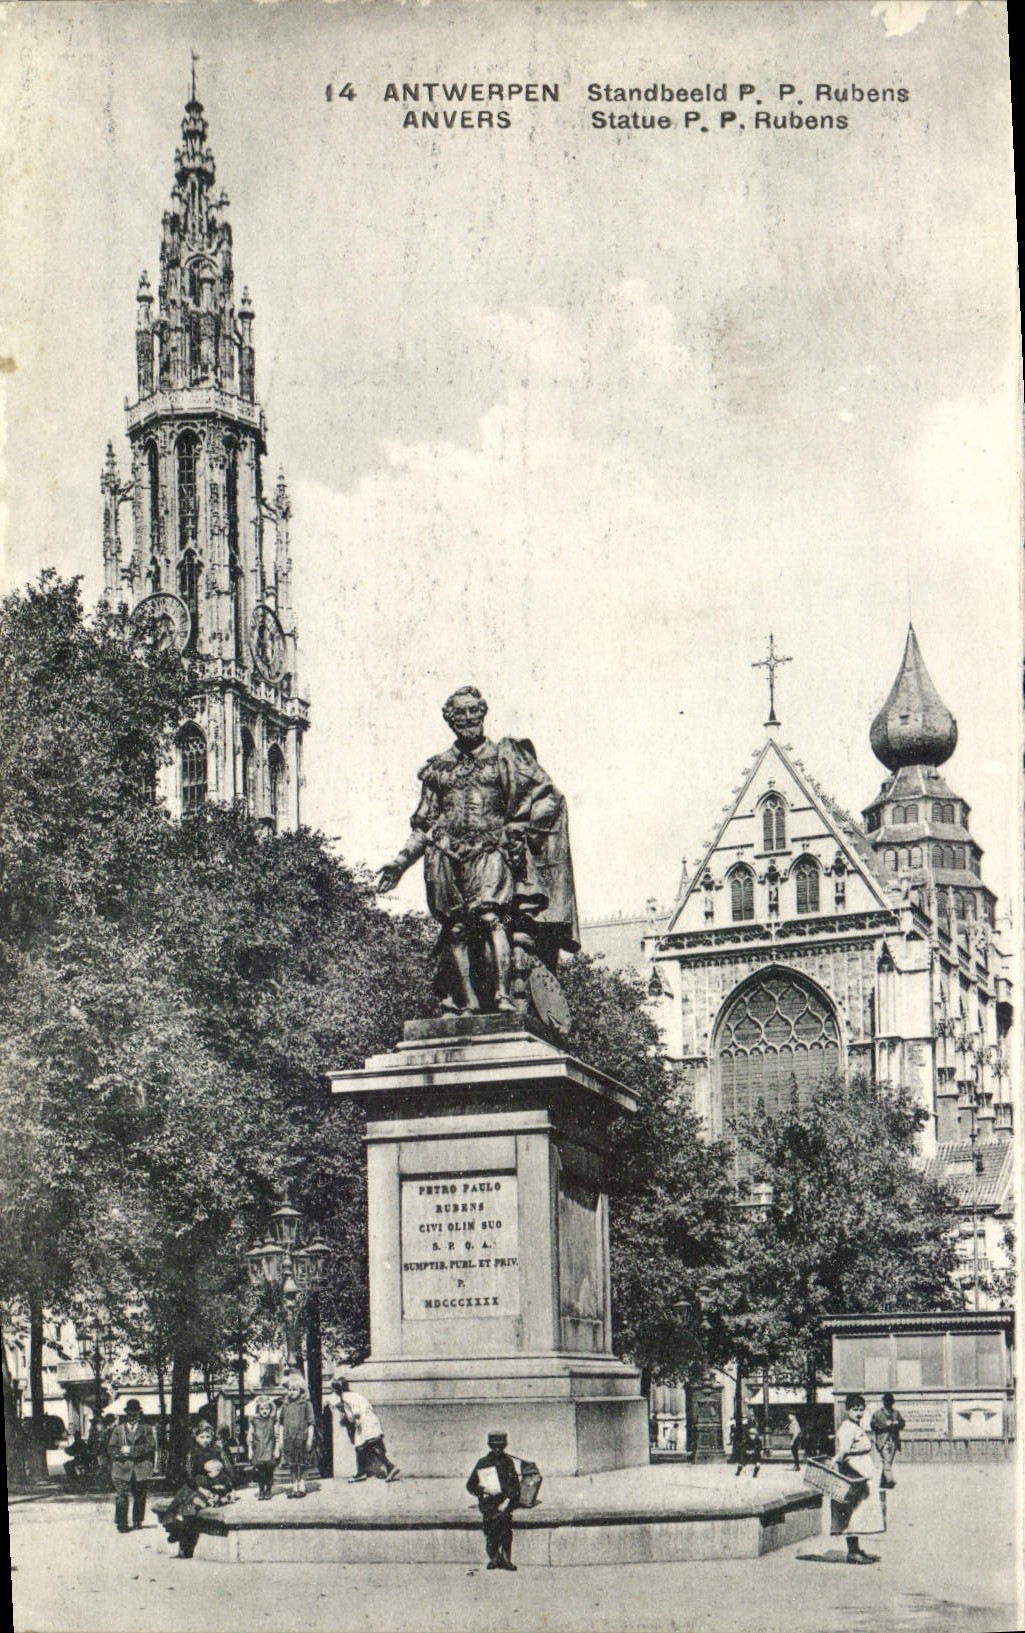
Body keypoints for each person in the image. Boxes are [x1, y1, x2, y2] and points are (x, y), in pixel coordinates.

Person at [376, 686, 579, 1015]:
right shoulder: (437, 768)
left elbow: (547, 797)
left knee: (491, 918)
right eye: (461, 713)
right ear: (450, 719)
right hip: (445, 855)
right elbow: (425, 824)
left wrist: (519, 827)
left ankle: (502, 995)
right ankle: (467, 1000)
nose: (468, 718)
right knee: (455, 928)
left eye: (474, 711)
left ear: (483, 714)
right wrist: (400, 862)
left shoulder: (506, 756)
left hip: (489, 848)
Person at [159, 1420, 235, 1559]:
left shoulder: (218, 1451)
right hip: (195, 1485)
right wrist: (197, 1486)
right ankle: (175, 1533)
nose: (205, 1440)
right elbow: (188, 1473)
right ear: (195, 1437)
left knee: (189, 1511)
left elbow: (229, 1470)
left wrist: (229, 1488)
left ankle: (185, 1549)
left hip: (213, 1486)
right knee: (176, 1506)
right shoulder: (192, 1453)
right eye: (202, 1437)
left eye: (208, 1437)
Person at [831, 1392, 886, 1565]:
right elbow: (843, 1452)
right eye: (855, 1409)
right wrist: (836, 1464)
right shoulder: (847, 1428)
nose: (859, 1413)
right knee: (853, 1513)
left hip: (862, 1476)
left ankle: (855, 1549)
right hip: (854, 1476)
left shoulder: (856, 1427)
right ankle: (852, 1551)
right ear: (847, 1409)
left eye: (861, 1409)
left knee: (859, 1513)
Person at [467, 1430, 521, 1572]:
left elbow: (515, 1485)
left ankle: (506, 1559)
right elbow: (470, 1485)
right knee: (490, 1531)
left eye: (501, 1446)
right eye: (494, 1446)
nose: (498, 1449)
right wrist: (484, 1490)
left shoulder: (508, 1462)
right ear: (490, 1445)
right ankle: (494, 1558)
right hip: (488, 1503)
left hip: (505, 1502)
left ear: (505, 1446)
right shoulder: (483, 1462)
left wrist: (508, 1500)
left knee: (506, 1528)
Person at [330, 1379, 400, 1482]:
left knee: (371, 1445)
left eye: (333, 1390)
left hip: (365, 1422)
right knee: (361, 1447)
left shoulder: (346, 1396)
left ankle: (390, 1467)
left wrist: (355, 1421)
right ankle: (361, 1473)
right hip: (367, 1420)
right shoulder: (352, 1395)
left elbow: (356, 1411)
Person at [107, 1398, 157, 1533]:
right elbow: (111, 1448)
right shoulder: (118, 1430)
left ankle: (137, 1520)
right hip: (122, 1468)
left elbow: (151, 1446)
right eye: (129, 1414)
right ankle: (122, 1522)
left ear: (140, 1414)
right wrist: (120, 1452)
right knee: (121, 1495)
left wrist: (132, 1450)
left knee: (139, 1495)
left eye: (135, 1414)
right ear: (126, 1414)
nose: (132, 1417)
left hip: (141, 1468)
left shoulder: (146, 1429)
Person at [279, 1372, 316, 1498]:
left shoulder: (306, 1404)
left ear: (301, 1390)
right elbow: (281, 1423)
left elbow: (311, 1423)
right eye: (289, 1389)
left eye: (294, 1390)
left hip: (302, 1438)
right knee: (292, 1465)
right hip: (289, 1439)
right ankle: (294, 1487)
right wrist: (280, 1439)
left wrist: (310, 1439)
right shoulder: (285, 1405)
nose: (291, 1392)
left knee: (303, 1464)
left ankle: (302, 1486)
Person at [247, 1393, 281, 1500]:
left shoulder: (272, 1420)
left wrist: (277, 1449)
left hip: (269, 1448)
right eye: (262, 1409)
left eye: (267, 1408)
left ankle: (268, 1490)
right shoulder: (254, 1421)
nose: (264, 1411)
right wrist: (249, 1449)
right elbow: (250, 1435)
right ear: (258, 1410)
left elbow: (277, 1436)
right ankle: (261, 1490)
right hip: (258, 1449)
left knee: (269, 1471)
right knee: (260, 1472)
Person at [870, 1392, 905, 1489]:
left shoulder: (896, 1413)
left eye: (890, 1402)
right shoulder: (877, 1414)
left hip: (894, 1440)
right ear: (884, 1402)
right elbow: (873, 1426)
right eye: (887, 1402)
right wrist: (885, 1425)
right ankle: (890, 1481)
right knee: (887, 1461)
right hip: (883, 1441)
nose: (889, 1404)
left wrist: (896, 1423)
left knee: (888, 1462)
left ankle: (882, 1482)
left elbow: (902, 1424)